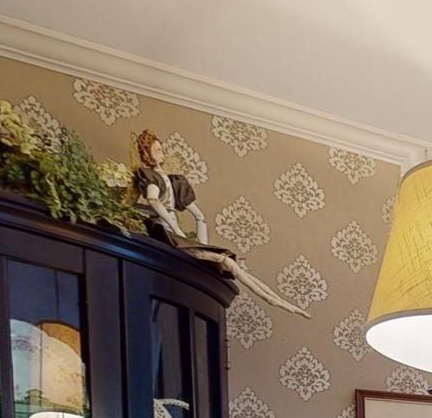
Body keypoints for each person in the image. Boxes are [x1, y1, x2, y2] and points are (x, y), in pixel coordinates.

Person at [130, 128, 309, 318]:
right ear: (146, 153)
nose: (162, 154)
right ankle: (274, 300)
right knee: (227, 261)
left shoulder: (172, 181)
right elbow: (153, 201)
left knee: (228, 260)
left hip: (179, 235)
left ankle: (278, 300)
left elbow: (198, 216)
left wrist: (201, 240)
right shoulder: (150, 177)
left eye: (161, 149)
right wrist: (176, 230)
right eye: (157, 150)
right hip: (168, 233)